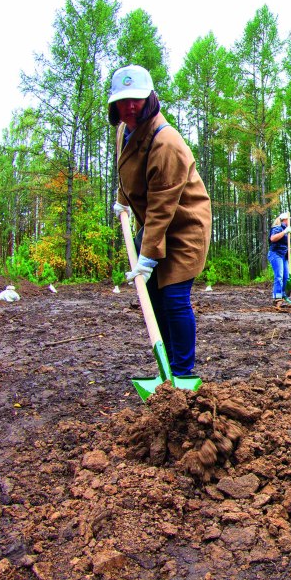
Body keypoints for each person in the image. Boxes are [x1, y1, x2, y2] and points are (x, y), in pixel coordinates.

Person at [109, 65, 212, 377]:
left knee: (173, 297)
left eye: (136, 100)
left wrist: (148, 255)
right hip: (155, 225)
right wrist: (122, 200)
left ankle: (182, 374)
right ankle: (166, 373)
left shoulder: (165, 141)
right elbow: (130, 173)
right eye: (123, 100)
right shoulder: (124, 130)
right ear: (114, 103)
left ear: (150, 98)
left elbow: (162, 206)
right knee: (152, 298)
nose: (130, 106)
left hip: (184, 227)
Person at [268, 212, 291, 307]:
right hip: (275, 254)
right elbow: (273, 238)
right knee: (279, 276)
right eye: (289, 220)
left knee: (286, 277)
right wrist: (284, 232)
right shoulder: (277, 228)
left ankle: (284, 296)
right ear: (285, 220)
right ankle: (277, 298)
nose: (290, 222)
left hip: (283, 256)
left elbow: (284, 245)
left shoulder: (286, 230)